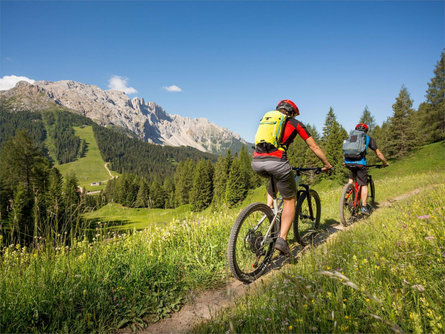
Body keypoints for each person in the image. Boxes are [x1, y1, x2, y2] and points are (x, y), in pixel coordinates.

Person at [251, 99, 332, 256]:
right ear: (292, 112)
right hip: (277, 162)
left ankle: (268, 213)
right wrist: (327, 164)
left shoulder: (267, 120)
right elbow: (313, 146)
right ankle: (282, 239)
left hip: (256, 162)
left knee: (273, 179)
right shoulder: (294, 123)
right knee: (289, 200)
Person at [344, 123, 389, 215]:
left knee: (352, 176)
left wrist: (345, 162)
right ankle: (364, 207)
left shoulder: (351, 137)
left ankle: (348, 189)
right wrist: (385, 162)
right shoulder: (367, 138)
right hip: (360, 164)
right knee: (364, 184)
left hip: (348, 162)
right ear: (366, 131)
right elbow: (378, 153)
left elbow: (346, 150)